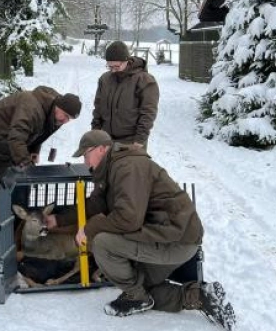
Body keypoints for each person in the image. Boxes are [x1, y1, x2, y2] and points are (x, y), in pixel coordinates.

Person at [45, 130, 235, 329]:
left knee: (101, 242)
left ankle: (136, 297)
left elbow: (128, 219)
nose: (85, 161)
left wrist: (89, 229)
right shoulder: (111, 168)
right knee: (141, 285)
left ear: (102, 148)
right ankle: (200, 296)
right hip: (164, 237)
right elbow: (94, 206)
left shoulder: (127, 167)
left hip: (175, 240)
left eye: (86, 154)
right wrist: (58, 220)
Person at [0, 86, 82, 201]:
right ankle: (6, 215)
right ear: (59, 106)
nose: (66, 121)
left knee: (21, 182)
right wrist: (28, 168)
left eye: (70, 119)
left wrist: (34, 150)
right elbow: (16, 138)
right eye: (66, 116)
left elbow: (39, 132)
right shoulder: (32, 108)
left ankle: (17, 211)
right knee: (8, 182)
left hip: (10, 137)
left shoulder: (55, 114)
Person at [92, 41, 159, 150]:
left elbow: (148, 113)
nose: (113, 70)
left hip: (131, 143)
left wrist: (139, 140)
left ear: (126, 61)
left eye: (116, 66)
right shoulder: (104, 79)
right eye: (109, 66)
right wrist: (95, 133)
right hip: (106, 140)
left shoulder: (144, 80)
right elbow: (98, 108)